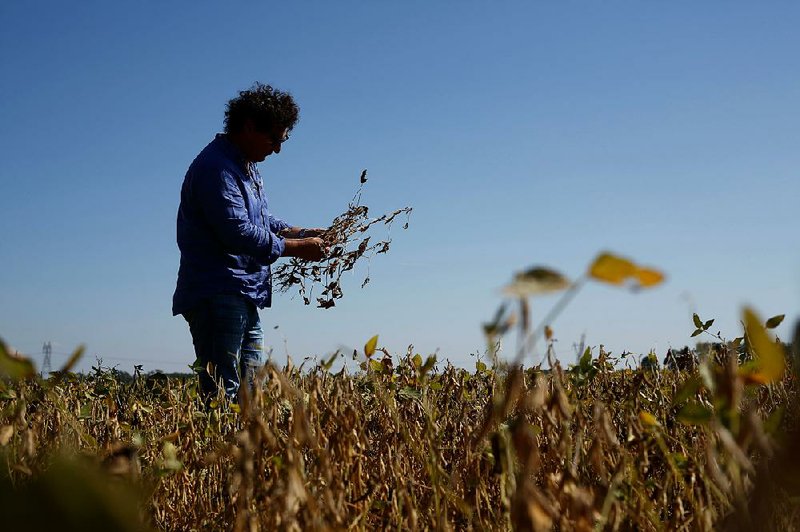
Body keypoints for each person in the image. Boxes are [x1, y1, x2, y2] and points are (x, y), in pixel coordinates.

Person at [172, 83, 327, 402]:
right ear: (249, 127)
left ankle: (240, 451)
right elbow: (237, 231)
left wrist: (302, 232)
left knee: (249, 392)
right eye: (274, 139)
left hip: (242, 291)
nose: (277, 149)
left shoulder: (244, 167)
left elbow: (261, 220)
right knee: (223, 393)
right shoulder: (216, 168)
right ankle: (217, 452)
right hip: (218, 292)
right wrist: (298, 250)